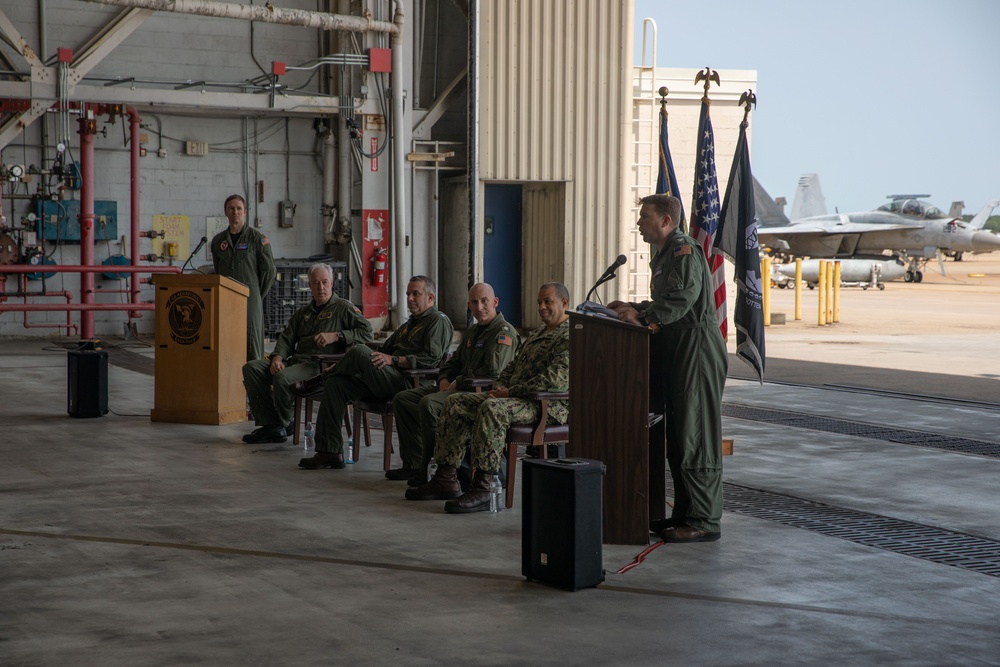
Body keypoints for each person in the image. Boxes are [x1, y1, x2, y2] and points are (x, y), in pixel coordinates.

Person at [608, 194, 728, 543]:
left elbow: (681, 300)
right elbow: (669, 300)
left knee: (697, 434)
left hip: (697, 351)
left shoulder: (683, 251)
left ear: (665, 221)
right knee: (679, 437)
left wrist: (643, 317)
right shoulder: (664, 255)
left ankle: (704, 519)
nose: (639, 223)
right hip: (677, 349)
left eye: (645, 217)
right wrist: (632, 306)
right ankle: (685, 513)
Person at [405, 283, 570, 513]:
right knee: (455, 403)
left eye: (548, 302)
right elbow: (512, 367)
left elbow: (555, 381)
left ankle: (484, 487)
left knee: (493, 409)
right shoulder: (537, 334)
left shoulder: (568, 336)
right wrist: (501, 385)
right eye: (539, 302)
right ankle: (446, 477)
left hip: (545, 405)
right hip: (519, 399)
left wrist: (510, 392)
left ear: (564, 303)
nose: (542, 307)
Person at [298, 276, 454, 469]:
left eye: (416, 294)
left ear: (430, 298)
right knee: (336, 384)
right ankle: (328, 451)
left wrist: (394, 360)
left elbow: (431, 359)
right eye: (408, 294)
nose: (410, 299)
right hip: (385, 377)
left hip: (410, 382)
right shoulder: (409, 324)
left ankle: (321, 377)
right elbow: (385, 348)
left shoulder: (437, 321)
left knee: (359, 351)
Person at [387, 282, 520, 482]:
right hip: (455, 388)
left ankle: (432, 469)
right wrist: (444, 378)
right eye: (474, 303)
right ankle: (413, 463)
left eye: (484, 301)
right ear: (469, 305)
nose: (479, 307)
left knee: (429, 404)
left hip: (479, 392)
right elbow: (453, 362)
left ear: (495, 302)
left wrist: (457, 382)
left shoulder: (503, 332)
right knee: (403, 399)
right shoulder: (472, 332)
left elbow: (494, 371)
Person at [240, 263, 373, 444]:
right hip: (296, 362)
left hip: (320, 366)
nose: (321, 288)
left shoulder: (343, 308)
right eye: (316, 283)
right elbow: (287, 338)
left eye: (325, 282)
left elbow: (367, 332)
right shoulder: (304, 312)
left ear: (332, 282)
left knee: (282, 378)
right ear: (309, 286)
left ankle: (286, 422)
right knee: (252, 368)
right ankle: (271, 425)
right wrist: (278, 358)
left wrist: (338, 336)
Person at [211, 194, 277, 362]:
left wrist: (255, 294)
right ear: (225, 212)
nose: (235, 212)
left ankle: (253, 384)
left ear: (245, 212)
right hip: (226, 297)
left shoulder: (257, 239)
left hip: (250, 296)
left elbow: (269, 272)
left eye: (239, 208)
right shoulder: (218, 241)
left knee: (252, 341)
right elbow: (218, 270)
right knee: (226, 340)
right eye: (231, 208)